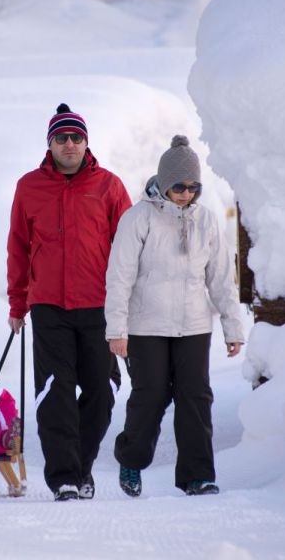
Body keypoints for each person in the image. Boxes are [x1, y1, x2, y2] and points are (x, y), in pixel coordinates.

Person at [104, 135, 245, 497]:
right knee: (150, 395)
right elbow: (119, 277)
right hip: (146, 325)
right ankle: (131, 460)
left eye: (193, 187)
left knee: (195, 396)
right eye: (179, 187)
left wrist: (232, 327)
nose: (186, 194)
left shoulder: (207, 221)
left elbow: (220, 278)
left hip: (194, 325)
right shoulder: (138, 219)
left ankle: (197, 476)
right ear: (164, 184)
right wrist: (116, 330)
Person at [6, 103, 132, 501]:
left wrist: (128, 306)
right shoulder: (29, 187)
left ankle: (81, 466)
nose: (70, 144)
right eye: (62, 138)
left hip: (100, 306)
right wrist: (16, 303)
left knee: (104, 388)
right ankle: (64, 478)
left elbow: (128, 250)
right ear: (50, 143)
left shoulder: (109, 186)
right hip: (49, 307)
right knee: (54, 393)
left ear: (86, 142)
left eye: (77, 137)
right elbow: (18, 248)